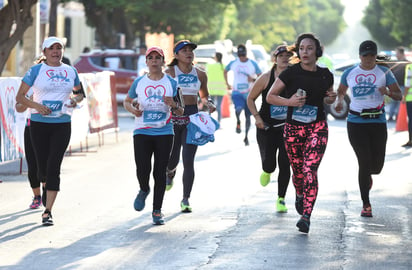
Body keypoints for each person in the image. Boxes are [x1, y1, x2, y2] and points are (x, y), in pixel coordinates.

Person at [266, 33, 336, 233]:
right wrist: (289, 102)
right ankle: (299, 193)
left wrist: (331, 97)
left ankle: (306, 216)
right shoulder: (290, 73)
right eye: (302, 48)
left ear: (317, 52)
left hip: (318, 127)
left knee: (309, 169)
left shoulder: (325, 74)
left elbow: (329, 99)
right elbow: (271, 97)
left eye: (310, 48)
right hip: (294, 129)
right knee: (298, 172)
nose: (305, 52)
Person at [15, 36, 84, 226]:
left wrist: (74, 101)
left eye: (59, 48)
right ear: (44, 52)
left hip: (62, 123)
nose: (56, 51)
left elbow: (80, 94)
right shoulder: (36, 70)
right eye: (51, 48)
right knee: (42, 169)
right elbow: (19, 96)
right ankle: (44, 184)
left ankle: (48, 212)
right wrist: (37, 105)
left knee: (54, 167)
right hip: (39, 123)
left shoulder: (71, 71)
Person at [335, 40, 402, 218]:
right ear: (360, 56)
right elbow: (341, 92)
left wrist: (387, 92)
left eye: (372, 55)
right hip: (356, 123)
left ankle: (368, 177)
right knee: (364, 162)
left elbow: (399, 95)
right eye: (365, 55)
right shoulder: (350, 73)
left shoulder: (383, 73)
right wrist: (339, 102)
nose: (369, 59)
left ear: (375, 56)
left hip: (377, 122)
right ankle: (366, 204)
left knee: (376, 167)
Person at [123, 46, 180, 225]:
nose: (154, 61)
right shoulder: (139, 82)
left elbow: (181, 109)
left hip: (164, 132)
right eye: (151, 58)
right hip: (142, 131)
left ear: (163, 62)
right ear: (146, 62)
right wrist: (133, 110)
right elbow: (126, 101)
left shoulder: (171, 83)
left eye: (158, 58)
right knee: (142, 169)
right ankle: (144, 188)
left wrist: (173, 104)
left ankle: (157, 210)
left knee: (159, 172)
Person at [165, 40, 216, 212]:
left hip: (192, 118)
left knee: (188, 160)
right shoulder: (170, 72)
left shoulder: (200, 74)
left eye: (191, 50)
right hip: (173, 118)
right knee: (172, 157)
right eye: (184, 50)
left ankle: (186, 199)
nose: (189, 53)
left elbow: (204, 96)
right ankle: (170, 171)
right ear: (176, 55)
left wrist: (209, 104)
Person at [247, 45, 292, 213]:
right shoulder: (266, 78)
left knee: (285, 163)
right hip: (266, 127)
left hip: (287, 128)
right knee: (270, 164)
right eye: (281, 56)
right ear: (275, 59)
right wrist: (257, 118)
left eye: (288, 56)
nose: (285, 58)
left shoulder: (295, 77)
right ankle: (266, 170)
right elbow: (250, 99)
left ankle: (281, 198)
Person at [224, 44, 262, 146]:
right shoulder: (234, 63)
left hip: (249, 94)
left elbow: (261, 76)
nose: (241, 58)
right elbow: (225, 70)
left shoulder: (252, 63)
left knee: (248, 116)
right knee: (238, 109)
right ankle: (238, 121)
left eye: (243, 55)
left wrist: (253, 79)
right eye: (240, 56)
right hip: (237, 92)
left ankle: (246, 136)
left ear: (246, 54)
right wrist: (227, 83)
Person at [15, 89, 45, 209]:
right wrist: (29, 101)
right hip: (31, 126)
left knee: (46, 163)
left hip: (51, 126)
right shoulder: (29, 85)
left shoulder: (56, 83)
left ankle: (46, 189)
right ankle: (37, 196)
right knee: (32, 165)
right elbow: (18, 108)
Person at [387, 46, 409, 121]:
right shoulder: (396, 63)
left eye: (397, 53)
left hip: (403, 85)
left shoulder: (406, 63)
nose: (396, 55)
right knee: (393, 101)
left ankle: (397, 116)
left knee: (399, 102)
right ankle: (391, 116)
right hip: (395, 85)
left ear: (401, 53)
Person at [206, 52, 227, 123]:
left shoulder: (210, 66)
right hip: (221, 89)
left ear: (216, 57)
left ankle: (209, 120)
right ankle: (219, 121)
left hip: (211, 89)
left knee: (211, 105)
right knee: (219, 106)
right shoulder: (223, 66)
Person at [403, 63, 412, 147]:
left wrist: (404, 97)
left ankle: (411, 140)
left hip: (410, 98)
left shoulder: (409, 67)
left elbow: (408, 84)